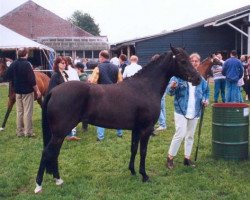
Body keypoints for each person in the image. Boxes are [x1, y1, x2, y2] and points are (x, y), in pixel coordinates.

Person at [166, 53, 209, 169]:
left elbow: (206, 92)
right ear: (189, 62)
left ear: (199, 63)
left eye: (196, 61)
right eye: (192, 61)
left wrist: (206, 100)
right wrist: (173, 87)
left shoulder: (202, 79)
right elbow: (169, 92)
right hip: (181, 110)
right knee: (180, 134)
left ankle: (187, 158)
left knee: (190, 135)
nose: (194, 63)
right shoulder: (179, 77)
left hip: (195, 111)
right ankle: (170, 158)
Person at [5, 48, 41, 137]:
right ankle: (28, 132)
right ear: (26, 54)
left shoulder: (13, 64)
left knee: (19, 111)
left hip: (17, 92)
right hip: (27, 92)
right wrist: (37, 90)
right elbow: (32, 80)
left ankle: (19, 132)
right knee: (27, 112)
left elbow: (7, 75)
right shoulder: (27, 64)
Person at [89, 50, 123, 141]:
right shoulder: (117, 68)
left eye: (99, 57)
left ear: (101, 57)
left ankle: (100, 137)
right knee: (117, 113)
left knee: (100, 115)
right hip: (115, 93)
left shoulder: (98, 68)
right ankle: (119, 133)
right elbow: (121, 82)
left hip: (102, 94)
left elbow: (92, 82)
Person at [65, 56, 81, 140]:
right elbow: (78, 82)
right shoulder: (74, 71)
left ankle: (69, 132)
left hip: (66, 93)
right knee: (73, 113)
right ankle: (73, 132)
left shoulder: (64, 71)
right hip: (74, 93)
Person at [151, 54, 167, 133]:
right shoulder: (163, 68)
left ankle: (163, 124)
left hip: (158, 90)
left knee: (158, 108)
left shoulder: (157, 69)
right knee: (162, 107)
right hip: (163, 89)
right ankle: (163, 123)